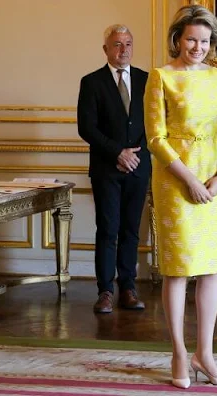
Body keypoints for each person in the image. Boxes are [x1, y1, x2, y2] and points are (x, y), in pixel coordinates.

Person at [143, 5, 217, 390]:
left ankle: (206, 354)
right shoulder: (161, 76)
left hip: (215, 183)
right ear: (177, 40)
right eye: (190, 39)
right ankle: (180, 353)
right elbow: (155, 139)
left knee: (212, 267)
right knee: (178, 269)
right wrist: (191, 181)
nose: (197, 46)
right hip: (175, 183)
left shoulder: (216, 78)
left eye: (204, 40)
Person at [77, 24, 151, 314]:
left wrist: (135, 154)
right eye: (118, 44)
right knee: (108, 230)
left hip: (139, 167)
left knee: (131, 230)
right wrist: (117, 152)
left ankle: (128, 288)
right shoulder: (92, 82)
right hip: (107, 169)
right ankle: (105, 290)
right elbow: (87, 127)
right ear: (106, 49)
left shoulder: (147, 80)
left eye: (128, 44)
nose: (124, 50)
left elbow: (155, 124)